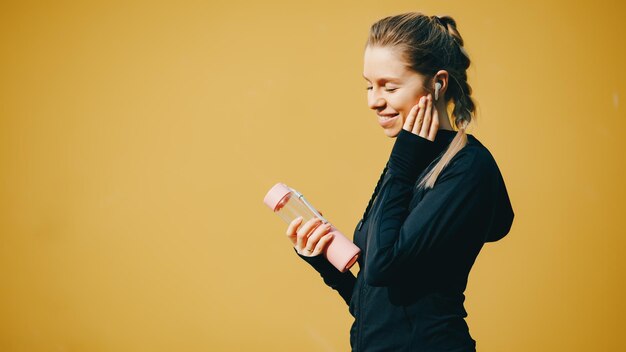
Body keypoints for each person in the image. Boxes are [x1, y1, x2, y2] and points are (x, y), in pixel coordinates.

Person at [284, 12, 514, 352]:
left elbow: (383, 266)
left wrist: (404, 159)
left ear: (438, 83)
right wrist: (323, 261)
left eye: (389, 87)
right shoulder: (411, 161)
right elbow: (377, 307)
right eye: (368, 85)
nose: (373, 101)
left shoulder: (467, 167)